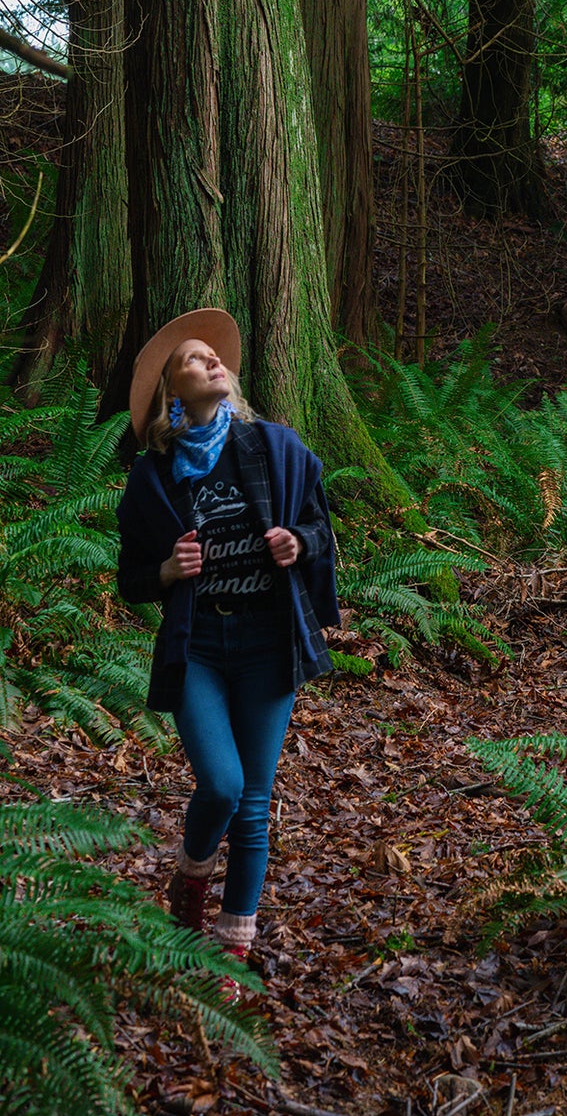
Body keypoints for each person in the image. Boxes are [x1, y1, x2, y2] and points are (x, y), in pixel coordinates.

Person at [116, 308, 339, 982]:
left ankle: (233, 945)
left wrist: (298, 543)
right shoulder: (153, 479)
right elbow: (130, 578)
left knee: (252, 802)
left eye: (214, 355)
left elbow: (323, 530)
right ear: (170, 392)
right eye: (192, 358)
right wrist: (165, 571)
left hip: (269, 645)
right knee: (221, 782)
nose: (211, 360)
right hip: (200, 644)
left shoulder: (275, 448)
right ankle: (190, 872)